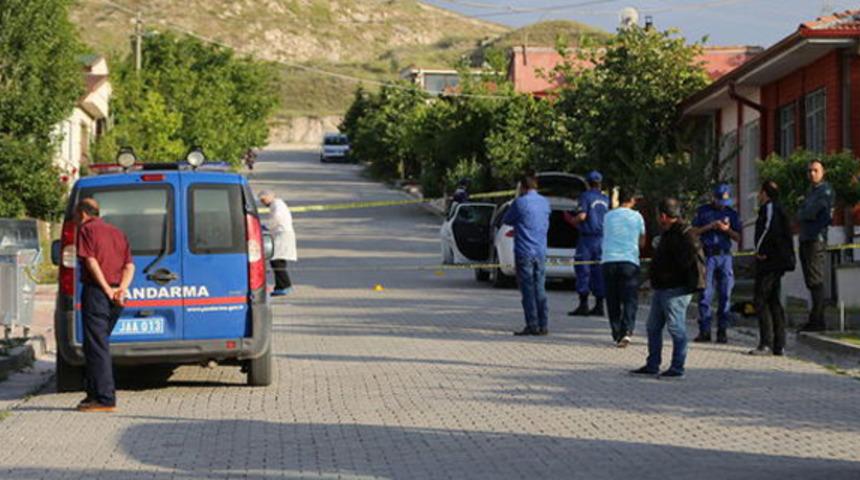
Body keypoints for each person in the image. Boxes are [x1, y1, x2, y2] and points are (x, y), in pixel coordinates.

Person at [631, 198, 705, 379]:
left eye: (659, 215)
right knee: (653, 327)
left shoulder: (684, 234)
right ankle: (652, 364)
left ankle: (677, 368)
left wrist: (670, 277)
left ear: (663, 216)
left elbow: (687, 262)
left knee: (676, 328)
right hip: (662, 288)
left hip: (675, 289)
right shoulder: (669, 233)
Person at [75, 198, 134, 412]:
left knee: (97, 346)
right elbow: (129, 266)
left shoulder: (86, 230)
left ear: (82, 213)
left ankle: (105, 398)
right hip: (118, 295)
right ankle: (92, 393)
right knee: (95, 344)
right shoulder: (117, 232)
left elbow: (90, 261)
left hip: (98, 294)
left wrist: (106, 289)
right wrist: (121, 289)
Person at [691, 184, 741, 344]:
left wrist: (726, 230)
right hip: (708, 256)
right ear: (714, 198)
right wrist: (710, 226)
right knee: (705, 294)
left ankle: (722, 331)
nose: (722, 205)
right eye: (719, 201)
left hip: (725, 256)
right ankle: (705, 331)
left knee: (725, 295)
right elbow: (693, 232)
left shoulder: (731, 213)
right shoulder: (703, 211)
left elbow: (738, 237)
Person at [750, 181, 795, 356]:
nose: (759, 196)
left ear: (765, 193)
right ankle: (779, 344)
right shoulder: (779, 208)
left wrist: (761, 251)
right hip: (777, 260)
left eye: (760, 192)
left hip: (770, 261)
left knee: (761, 300)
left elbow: (769, 229)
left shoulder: (770, 208)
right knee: (773, 300)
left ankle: (766, 343)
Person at [503, 172, 551, 336]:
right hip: (540, 251)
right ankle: (543, 325)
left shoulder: (520, 202)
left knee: (528, 290)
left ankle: (532, 325)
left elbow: (507, 220)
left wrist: (517, 197)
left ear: (522, 187)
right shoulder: (545, 202)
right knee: (540, 289)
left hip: (524, 251)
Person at [600, 187, 646, 348]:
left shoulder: (608, 216)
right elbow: (642, 241)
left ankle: (616, 332)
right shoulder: (637, 217)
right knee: (629, 299)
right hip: (629, 261)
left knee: (612, 298)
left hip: (609, 260)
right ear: (632, 200)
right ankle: (626, 331)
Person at [565, 170, 609, 317]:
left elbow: (582, 216)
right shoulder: (605, 198)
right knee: (599, 271)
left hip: (587, 239)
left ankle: (583, 304)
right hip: (602, 239)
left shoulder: (585, 197)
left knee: (583, 269)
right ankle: (599, 305)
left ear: (588, 183)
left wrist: (571, 220)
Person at [797, 159, 834, 332]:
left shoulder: (825, 191)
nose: (812, 174)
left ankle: (818, 321)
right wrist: (803, 211)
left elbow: (811, 212)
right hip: (806, 238)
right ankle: (815, 319)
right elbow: (801, 212)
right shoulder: (810, 191)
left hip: (815, 239)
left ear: (823, 172)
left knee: (816, 280)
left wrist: (803, 212)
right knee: (810, 282)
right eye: (810, 171)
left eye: (815, 170)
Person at [259, 191, 298, 296]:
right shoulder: (276, 204)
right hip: (280, 234)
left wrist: (267, 226)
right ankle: (280, 286)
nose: (263, 203)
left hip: (282, 234)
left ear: (270, 197)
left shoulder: (277, 204)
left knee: (277, 261)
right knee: (278, 261)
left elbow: (277, 217)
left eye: (263, 200)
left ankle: (285, 286)